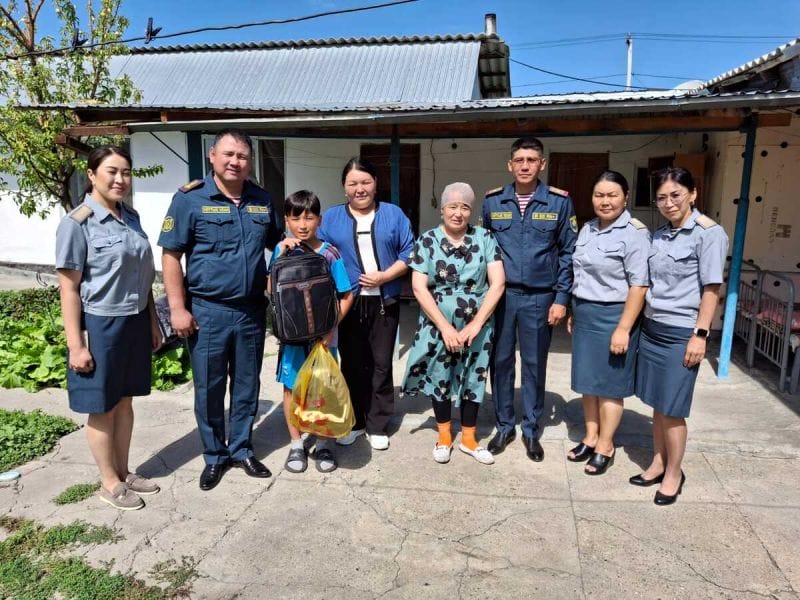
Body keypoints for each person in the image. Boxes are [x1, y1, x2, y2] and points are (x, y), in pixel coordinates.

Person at [158, 129, 282, 491]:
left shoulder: (261, 199)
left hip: (250, 312)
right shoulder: (190, 199)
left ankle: (241, 449)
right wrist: (177, 308)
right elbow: (170, 255)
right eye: (228, 154)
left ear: (250, 161)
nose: (235, 162)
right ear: (212, 155)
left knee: (246, 385)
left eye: (242, 156)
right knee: (209, 388)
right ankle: (214, 456)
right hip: (207, 312)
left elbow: (279, 244)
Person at [56, 145, 163, 511]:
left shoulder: (131, 217)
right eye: (112, 171)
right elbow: (69, 289)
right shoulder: (77, 223)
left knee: (126, 400)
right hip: (100, 323)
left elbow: (142, 277)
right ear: (91, 175)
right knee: (103, 406)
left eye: (126, 172)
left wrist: (152, 322)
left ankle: (124, 470)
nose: (120, 179)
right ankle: (109, 482)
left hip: (134, 319)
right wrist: (76, 345)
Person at [631, 167, 727, 505]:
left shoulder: (709, 234)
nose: (668, 203)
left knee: (673, 408)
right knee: (657, 403)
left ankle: (674, 472)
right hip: (652, 328)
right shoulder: (659, 236)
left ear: (693, 194)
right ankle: (658, 462)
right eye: (661, 198)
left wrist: (700, 335)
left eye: (675, 195)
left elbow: (711, 289)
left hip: (682, 332)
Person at [481, 137, 577, 462]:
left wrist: (561, 298)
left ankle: (531, 430)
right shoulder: (493, 201)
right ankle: (504, 426)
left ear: (542, 164)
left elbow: (569, 253)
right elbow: (484, 250)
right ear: (510, 165)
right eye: (519, 160)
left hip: (540, 296)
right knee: (501, 362)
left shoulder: (559, 202)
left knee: (535, 364)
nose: (525, 166)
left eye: (531, 160)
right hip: (502, 297)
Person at [403, 183, 505, 464]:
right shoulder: (427, 240)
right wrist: (445, 327)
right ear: (442, 209)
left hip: (478, 322)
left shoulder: (485, 238)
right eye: (452, 206)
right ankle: (444, 435)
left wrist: (476, 324)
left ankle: (469, 439)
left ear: (471, 211)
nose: (458, 213)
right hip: (437, 321)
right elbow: (419, 286)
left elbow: (497, 283)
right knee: (440, 375)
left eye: (465, 207)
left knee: (474, 375)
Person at [318, 157, 414, 451]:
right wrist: (289, 244)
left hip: (385, 301)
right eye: (353, 183)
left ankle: (377, 424)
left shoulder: (393, 214)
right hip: (348, 303)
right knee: (352, 363)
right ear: (344, 187)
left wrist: (385, 276)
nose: (359, 189)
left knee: (381, 364)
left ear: (376, 184)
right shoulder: (332, 217)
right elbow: (316, 249)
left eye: (365, 182)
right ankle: (356, 422)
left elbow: (409, 252)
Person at [566, 171, 650, 475]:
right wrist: (575, 311)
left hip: (615, 316)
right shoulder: (587, 228)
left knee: (610, 386)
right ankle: (590, 437)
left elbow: (639, 285)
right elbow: (581, 274)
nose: (605, 201)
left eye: (612, 195)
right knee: (587, 382)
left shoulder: (635, 233)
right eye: (599, 195)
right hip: (585, 313)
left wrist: (624, 329)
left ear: (625, 197)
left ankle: (605, 444)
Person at [269, 190, 354, 473]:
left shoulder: (330, 253)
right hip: (292, 339)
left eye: (309, 218)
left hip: (324, 340)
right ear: (286, 220)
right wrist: (281, 255)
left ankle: (323, 443)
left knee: (322, 391)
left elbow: (346, 294)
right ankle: (296, 444)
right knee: (291, 388)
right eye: (296, 218)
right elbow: (270, 290)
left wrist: (331, 329)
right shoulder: (282, 250)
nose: (302, 225)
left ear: (319, 219)